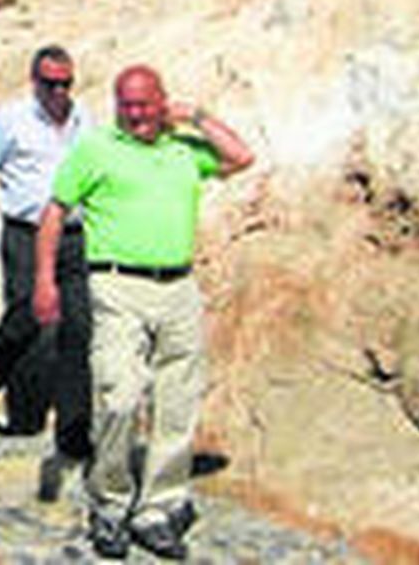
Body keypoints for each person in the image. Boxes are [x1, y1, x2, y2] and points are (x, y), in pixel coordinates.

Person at [33, 65, 254, 561]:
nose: (135, 114)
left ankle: (158, 507)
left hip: (178, 287)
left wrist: (196, 115)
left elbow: (241, 157)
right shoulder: (96, 149)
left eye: (144, 104)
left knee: (178, 402)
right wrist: (44, 280)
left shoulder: (183, 150)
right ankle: (110, 503)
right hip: (117, 285)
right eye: (126, 105)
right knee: (120, 395)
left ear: (162, 102)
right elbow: (54, 211)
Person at [0, 45, 92, 499]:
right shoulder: (11, 119)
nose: (59, 92)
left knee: (79, 326)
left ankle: (73, 429)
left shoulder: (85, 119)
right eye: (50, 83)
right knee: (26, 317)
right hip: (25, 231)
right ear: (34, 81)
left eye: (65, 83)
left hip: (74, 235)